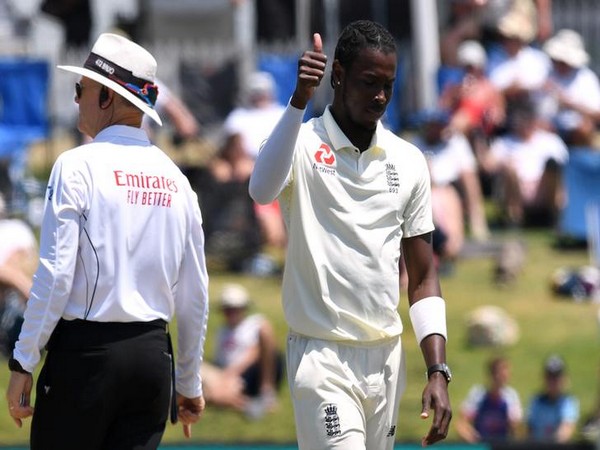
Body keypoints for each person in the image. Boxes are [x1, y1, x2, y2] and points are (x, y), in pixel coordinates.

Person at [249, 20, 452, 449]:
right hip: (321, 357)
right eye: (368, 82)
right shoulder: (301, 143)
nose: (380, 96)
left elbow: (422, 277)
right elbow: (260, 188)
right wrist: (297, 101)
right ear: (337, 76)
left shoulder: (409, 160)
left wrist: (438, 371)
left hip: (386, 359)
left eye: (388, 85)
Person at [5, 33, 210, 449]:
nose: (76, 99)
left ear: (107, 98)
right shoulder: (176, 180)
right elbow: (194, 296)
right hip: (153, 360)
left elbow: (56, 276)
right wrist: (187, 382)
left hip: (88, 358)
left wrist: (23, 360)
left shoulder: (77, 165)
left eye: (81, 89)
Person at [477, 98, 568, 227]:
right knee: (510, 169)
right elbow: (487, 166)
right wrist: (503, 163)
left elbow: (566, 165)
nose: (524, 124)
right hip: (516, 189)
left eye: (527, 119)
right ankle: (515, 218)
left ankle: (555, 216)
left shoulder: (551, 141)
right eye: (521, 120)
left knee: (553, 167)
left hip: (545, 188)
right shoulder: (504, 142)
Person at [201, 283, 283, 419]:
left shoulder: (255, 323)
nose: (231, 312)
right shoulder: (221, 331)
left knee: (213, 391)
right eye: (228, 309)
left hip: (251, 373)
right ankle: (245, 405)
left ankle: (266, 391)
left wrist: (230, 374)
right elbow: (219, 361)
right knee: (196, 371)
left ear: (243, 308)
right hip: (228, 375)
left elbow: (258, 350)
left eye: (235, 309)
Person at [538, 29, 600, 146]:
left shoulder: (586, 78)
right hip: (546, 128)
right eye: (558, 61)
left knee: (584, 128)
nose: (560, 65)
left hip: (575, 133)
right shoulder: (543, 73)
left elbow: (597, 114)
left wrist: (571, 105)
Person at [0, 193, 37, 358]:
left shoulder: (16, 228)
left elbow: (30, 259)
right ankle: (36, 301)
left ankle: (34, 300)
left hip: (18, 285)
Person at [456, 356, 523, 443]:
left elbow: (517, 427)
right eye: (501, 374)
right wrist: (473, 439)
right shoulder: (477, 394)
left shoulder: (511, 396)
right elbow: (461, 424)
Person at [527, 354, 580, 442]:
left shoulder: (569, 402)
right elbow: (530, 432)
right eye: (550, 377)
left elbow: (565, 432)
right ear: (544, 378)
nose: (553, 382)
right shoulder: (536, 402)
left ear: (564, 379)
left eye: (556, 378)